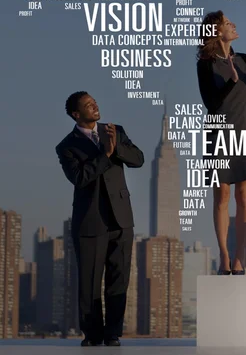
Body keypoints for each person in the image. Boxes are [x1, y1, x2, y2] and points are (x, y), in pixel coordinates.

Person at [56, 92, 144, 347]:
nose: (94, 105)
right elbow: (80, 178)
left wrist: (117, 149)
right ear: (76, 114)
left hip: (121, 220)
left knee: (119, 280)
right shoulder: (66, 146)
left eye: (94, 101)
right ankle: (92, 335)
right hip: (90, 223)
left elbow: (138, 159)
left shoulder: (115, 130)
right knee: (90, 283)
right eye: (87, 105)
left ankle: (113, 334)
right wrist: (105, 155)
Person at [196, 11, 246, 275]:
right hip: (220, 133)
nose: (234, 25)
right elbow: (212, 104)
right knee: (222, 196)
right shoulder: (205, 64)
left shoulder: (245, 59)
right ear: (216, 31)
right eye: (228, 23)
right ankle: (224, 256)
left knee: (244, 195)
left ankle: (239, 260)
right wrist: (231, 80)